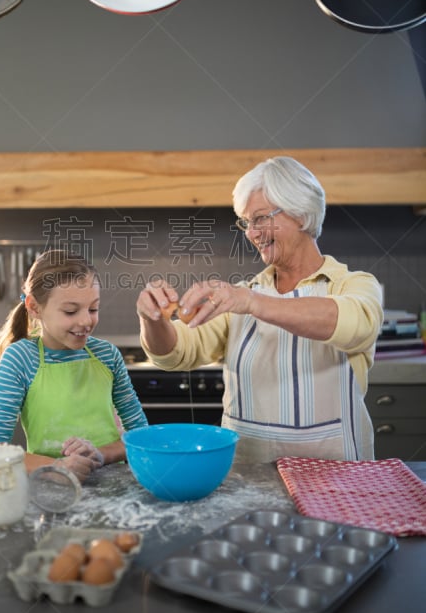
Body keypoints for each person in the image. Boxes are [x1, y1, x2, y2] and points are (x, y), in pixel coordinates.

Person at [136, 156, 383, 462]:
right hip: (247, 477)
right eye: (247, 222)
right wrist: (153, 320)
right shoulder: (241, 296)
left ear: (301, 214)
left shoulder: (354, 285)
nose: (251, 233)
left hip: (337, 477)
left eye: (261, 218)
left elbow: (354, 324)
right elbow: (177, 353)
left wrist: (252, 302)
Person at [0, 249, 148, 481]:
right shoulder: (20, 359)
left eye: (93, 309)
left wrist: (101, 454)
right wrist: (57, 467)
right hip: (49, 487)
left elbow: (141, 436)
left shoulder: (107, 355)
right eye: (70, 311)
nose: (85, 321)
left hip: (114, 487)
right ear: (34, 307)